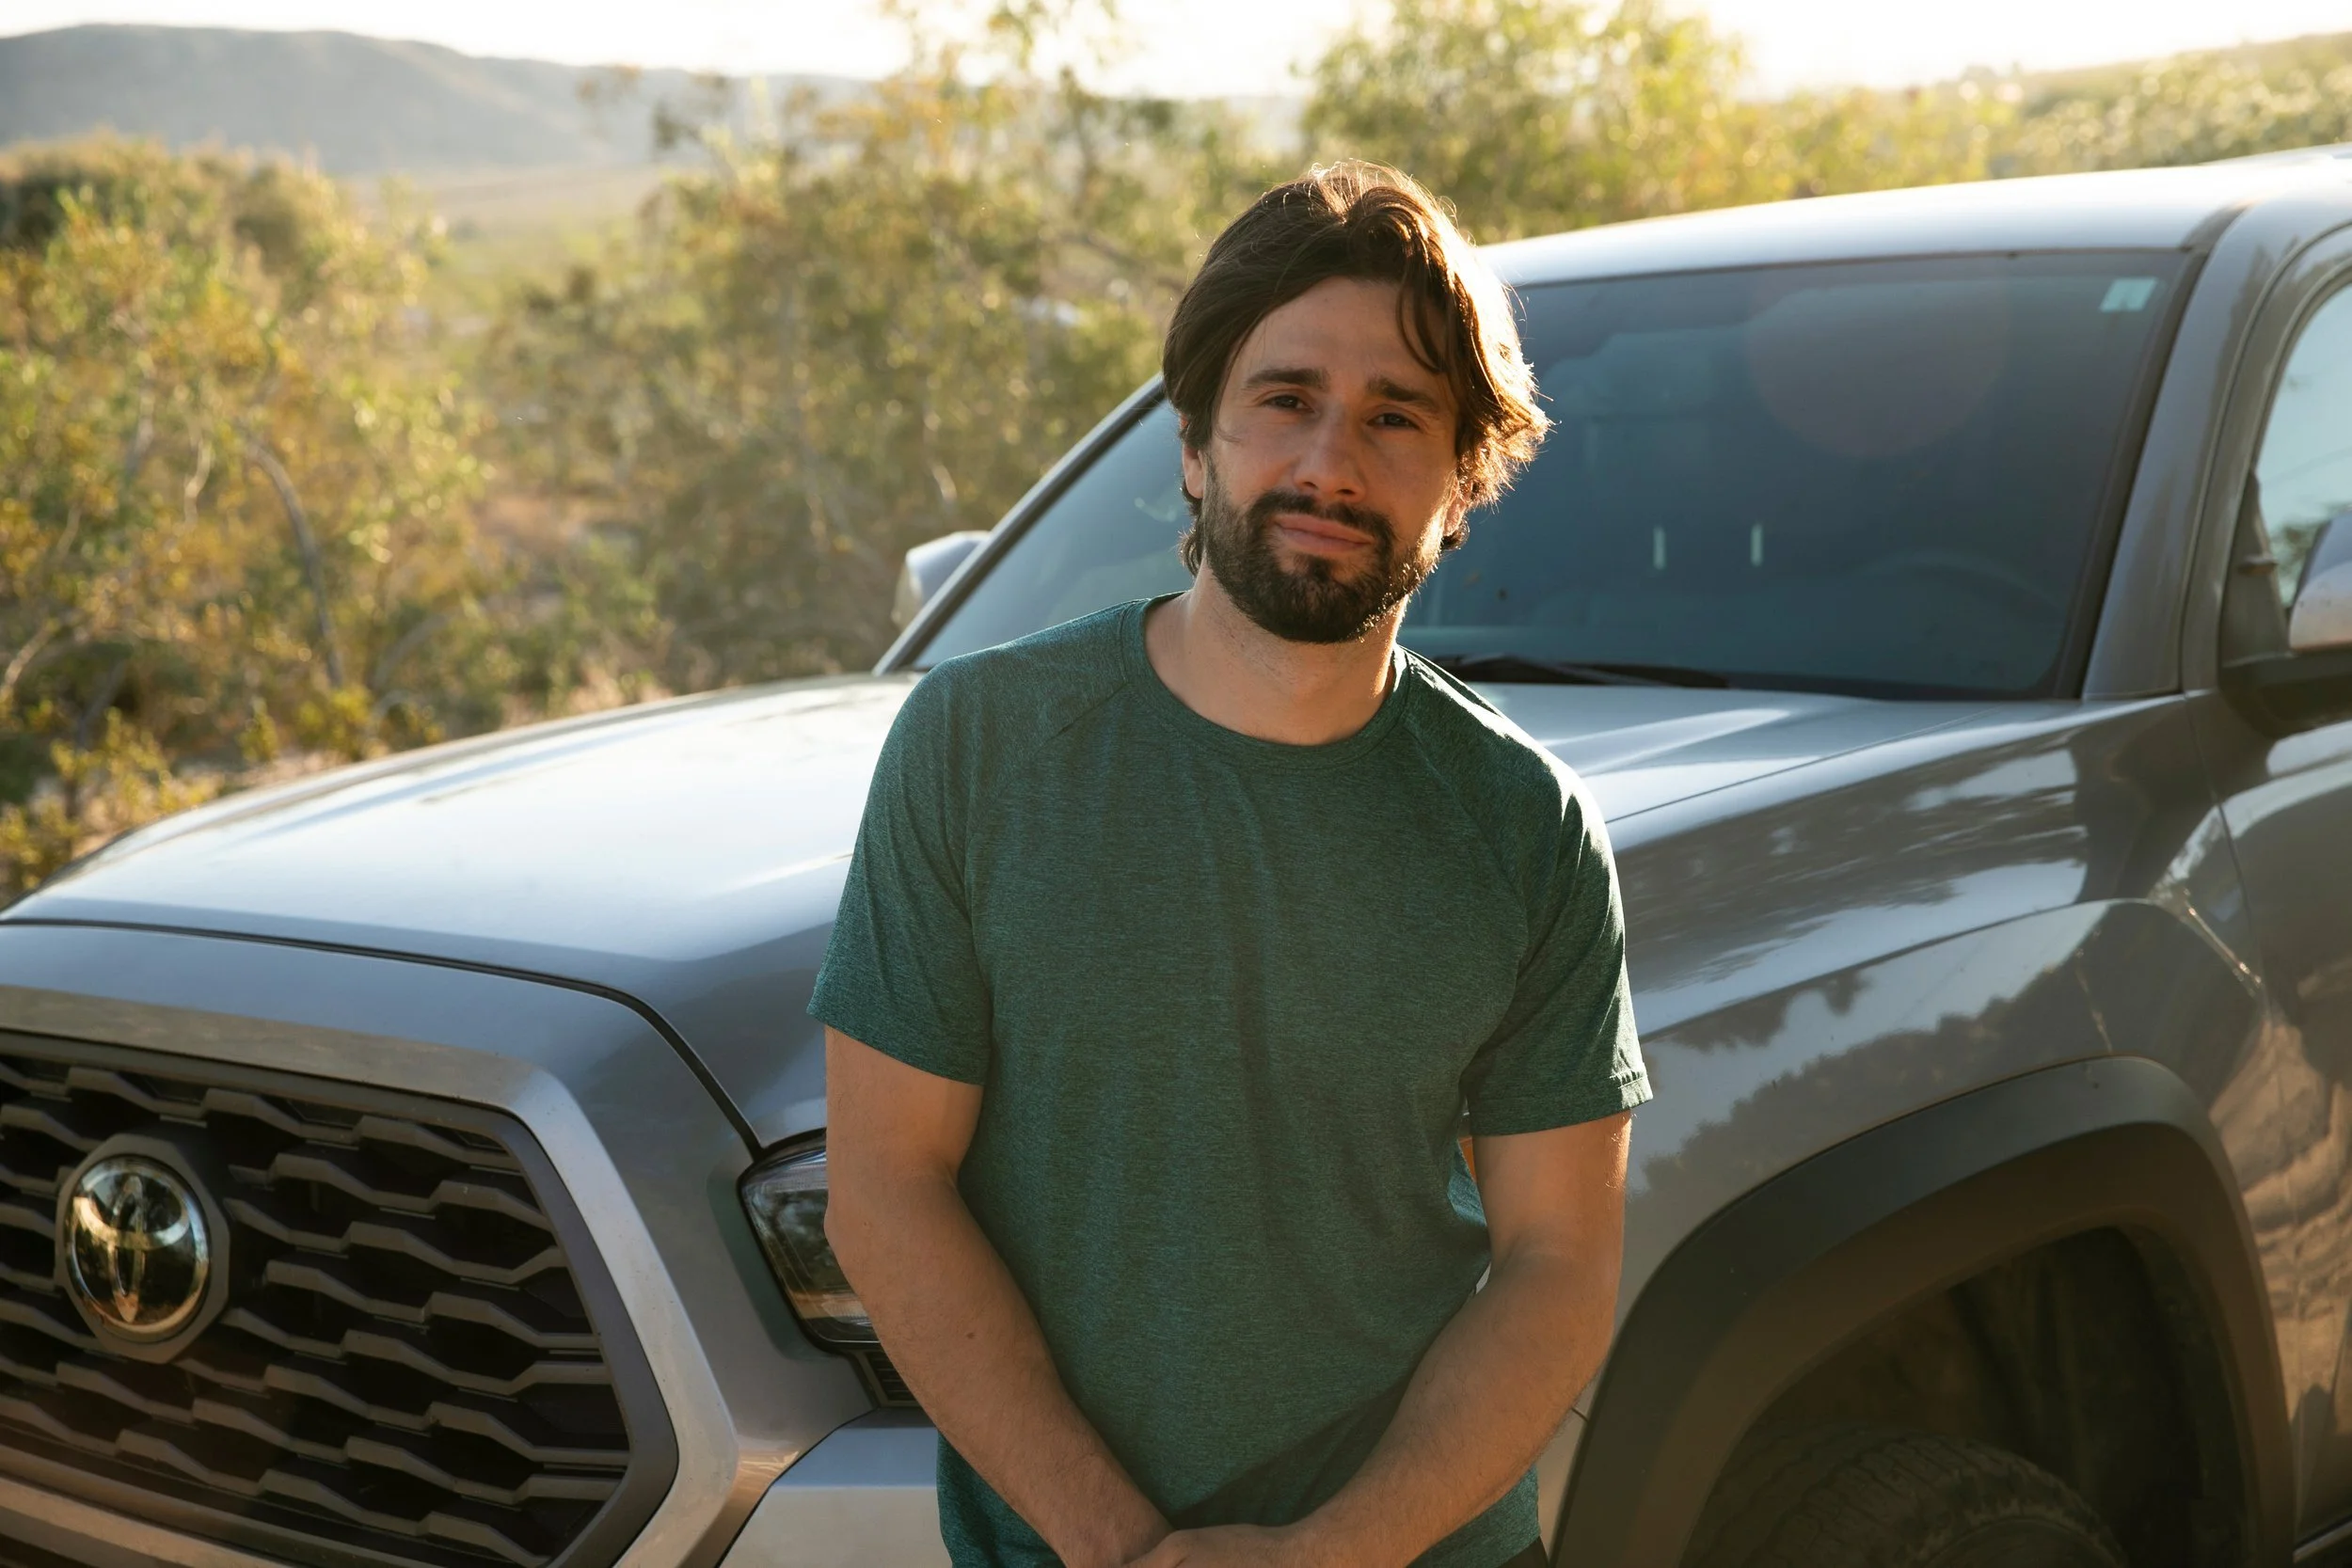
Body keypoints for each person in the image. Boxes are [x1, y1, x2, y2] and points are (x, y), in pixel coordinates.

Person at [814, 161, 1649, 1568]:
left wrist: (1324, 1555)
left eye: (1397, 417)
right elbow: (888, 1187)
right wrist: (1122, 1545)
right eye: (1287, 399)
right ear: (1197, 443)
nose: (1332, 459)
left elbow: (1559, 1268)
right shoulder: (978, 745)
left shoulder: (1527, 827)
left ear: (1459, 490)